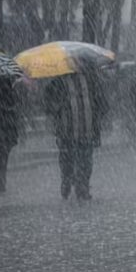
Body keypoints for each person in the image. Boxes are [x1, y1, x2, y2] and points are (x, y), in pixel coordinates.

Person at [44, 72, 104, 201]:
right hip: (66, 131)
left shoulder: (90, 79)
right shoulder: (58, 82)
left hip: (87, 129)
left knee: (86, 160)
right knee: (67, 160)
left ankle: (83, 187)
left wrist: (98, 115)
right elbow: (48, 103)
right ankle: (67, 180)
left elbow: (101, 102)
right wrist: (56, 106)